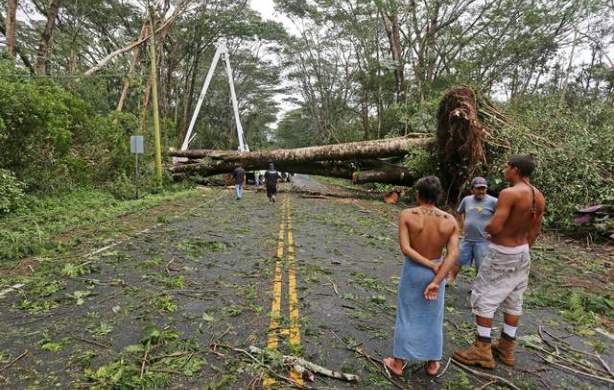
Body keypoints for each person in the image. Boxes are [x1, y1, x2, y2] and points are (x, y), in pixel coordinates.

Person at [453, 154, 545, 368]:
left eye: (506, 167)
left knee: (484, 296)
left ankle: (482, 349)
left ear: (515, 170)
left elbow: (495, 225)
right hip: (522, 251)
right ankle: (506, 347)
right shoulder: (538, 196)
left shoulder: (509, 193)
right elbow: (535, 230)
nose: (504, 171)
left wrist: (488, 232)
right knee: (514, 299)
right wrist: (522, 246)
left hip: (503, 252)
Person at [383, 176, 460, 377]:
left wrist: (429, 265)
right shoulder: (449, 221)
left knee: (407, 314)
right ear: (438, 195)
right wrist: (436, 279)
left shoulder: (408, 215)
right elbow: (453, 254)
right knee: (433, 316)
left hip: (414, 270)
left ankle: (398, 362)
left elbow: (406, 249)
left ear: (418, 194)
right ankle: (433, 362)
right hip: (438, 272)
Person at [448, 177, 498, 282]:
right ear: (472, 189)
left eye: (483, 188)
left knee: (482, 265)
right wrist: (461, 226)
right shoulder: (467, 200)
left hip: (483, 240)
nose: (481, 191)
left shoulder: (493, 201)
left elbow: (500, 217)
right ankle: (451, 279)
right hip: (467, 238)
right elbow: (459, 212)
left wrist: (494, 232)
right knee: (458, 260)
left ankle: (478, 287)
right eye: (478, 188)